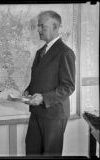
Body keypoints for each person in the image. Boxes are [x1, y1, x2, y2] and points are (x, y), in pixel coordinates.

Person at [24, 11, 76, 156]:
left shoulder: (65, 53)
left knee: (50, 154)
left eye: (42, 26)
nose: (38, 30)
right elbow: (38, 79)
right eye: (38, 26)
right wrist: (28, 90)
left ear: (56, 27)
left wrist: (43, 98)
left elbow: (68, 87)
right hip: (36, 112)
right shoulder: (40, 51)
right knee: (32, 151)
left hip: (54, 114)